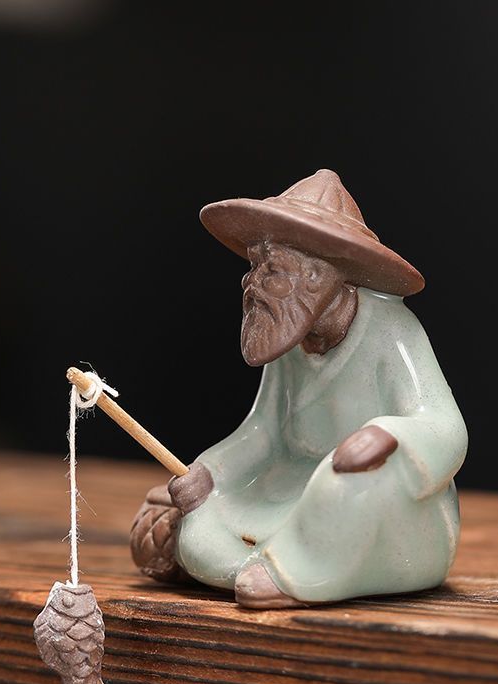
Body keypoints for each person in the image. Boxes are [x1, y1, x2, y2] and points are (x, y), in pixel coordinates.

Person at [131, 169, 467, 608]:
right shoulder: (291, 337)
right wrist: (211, 471)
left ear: (316, 277)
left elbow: (443, 424)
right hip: (291, 489)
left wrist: (388, 435)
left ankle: (296, 574)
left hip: (374, 495)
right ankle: (261, 563)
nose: (251, 284)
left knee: (341, 483)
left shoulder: (393, 330)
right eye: (253, 267)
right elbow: (263, 432)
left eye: (271, 270)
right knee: (201, 508)